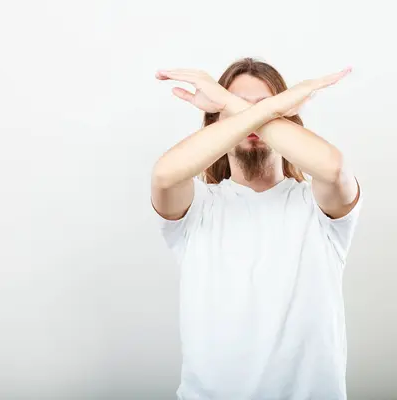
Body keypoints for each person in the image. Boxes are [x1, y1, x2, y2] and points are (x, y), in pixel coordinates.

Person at [151, 57, 363, 400]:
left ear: (289, 121)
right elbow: (163, 174)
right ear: (216, 126)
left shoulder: (318, 206)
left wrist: (230, 103)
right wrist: (271, 108)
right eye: (234, 111)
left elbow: (334, 167)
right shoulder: (198, 209)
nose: (252, 119)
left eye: (268, 109)